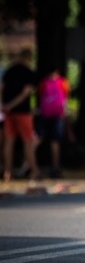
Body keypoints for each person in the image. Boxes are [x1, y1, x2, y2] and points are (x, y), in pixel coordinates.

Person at [0, 48, 40, 181]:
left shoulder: (9, 71)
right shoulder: (29, 73)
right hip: (23, 112)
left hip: (8, 112)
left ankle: (7, 172)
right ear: (29, 58)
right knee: (28, 141)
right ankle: (34, 171)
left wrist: (4, 105)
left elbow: (1, 88)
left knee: (9, 142)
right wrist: (12, 105)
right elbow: (25, 93)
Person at [36, 64, 70, 178]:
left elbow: (40, 97)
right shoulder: (63, 82)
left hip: (44, 114)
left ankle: (27, 163)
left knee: (38, 138)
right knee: (55, 141)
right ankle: (55, 166)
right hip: (58, 115)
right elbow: (66, 98)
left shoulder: (43, 83)